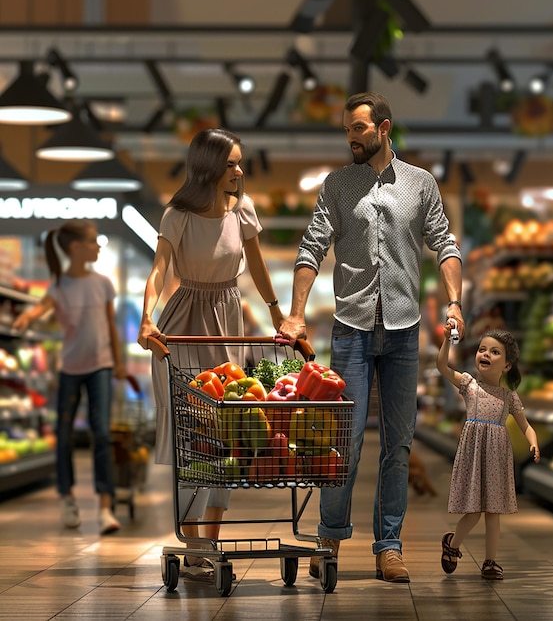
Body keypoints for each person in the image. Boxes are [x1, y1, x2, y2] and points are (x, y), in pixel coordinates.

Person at [279, 91, 464, 583]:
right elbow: (312, 247)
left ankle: (389, 547)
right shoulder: (338, 185)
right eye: (346, 130)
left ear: (384, 128)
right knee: (344, 440)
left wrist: (453, 302)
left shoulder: (420, 184)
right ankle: (330, 539)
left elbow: (445, 241)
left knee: (398, 444)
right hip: (352, 329)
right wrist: (296, 315)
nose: (350, 138)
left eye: (358, 129)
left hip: (404, 331)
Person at [137, 128, 283, 579]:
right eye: (232, 163)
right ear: (209, 167)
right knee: (190, 431)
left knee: (227, 433)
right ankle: (194, 542)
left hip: (227, 318)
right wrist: (147, 319)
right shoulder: (177, 214)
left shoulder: (244, 212)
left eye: (240, 163)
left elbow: (256, 265)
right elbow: (159, 269)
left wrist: (279, 315)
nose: (239, 171)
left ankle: (208, 542)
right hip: (182, 324)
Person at [12, 220, 126, 535]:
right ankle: (67, 496)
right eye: (93, 241)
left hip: (100, 367)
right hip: (70, 371)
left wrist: (118, 364)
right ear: (76, 248)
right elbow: (41, 308)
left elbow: (110, 327)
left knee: (101, 433)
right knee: (63, 434)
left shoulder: (103, 283)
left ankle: (105, 506)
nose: (98, 245)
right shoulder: (59, 286)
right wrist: (26, 316)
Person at [437, 326, 540, 580]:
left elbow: (525, 425)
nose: (485, 354)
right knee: (473, 510)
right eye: (482, 349)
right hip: (474, 454)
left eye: (495, 352)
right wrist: (445, 342)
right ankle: (453, 544)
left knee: (493, 512)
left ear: (506, 365)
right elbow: (443, 367)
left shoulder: (509, 396)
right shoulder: (469, 385)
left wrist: (533, 441)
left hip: (497, 456)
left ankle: (490, 561)